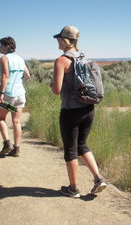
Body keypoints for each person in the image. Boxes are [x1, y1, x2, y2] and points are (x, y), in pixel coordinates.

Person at [51, 25, 107, 198]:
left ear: (64, 40)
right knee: (82, 145)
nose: (57, 42)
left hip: (71, 111)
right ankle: (98, 179)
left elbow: (57, 90)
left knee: (70, 149)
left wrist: (52, 84)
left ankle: (73, 188)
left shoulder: (61, 60)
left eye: (59, 39)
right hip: (88, 108)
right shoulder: (83, 57)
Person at [0, 36, 30, 157]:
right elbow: (27, 75)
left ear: (6, 46)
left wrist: (1, 93)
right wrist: (18, 82)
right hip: (20, 95)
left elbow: (5, 76)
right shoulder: (21, 59)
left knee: (1, 118)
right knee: (16, 121)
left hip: (8, 95)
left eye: (0, 45)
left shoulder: (4, 58)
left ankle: (7, 144)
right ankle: (16, 149)